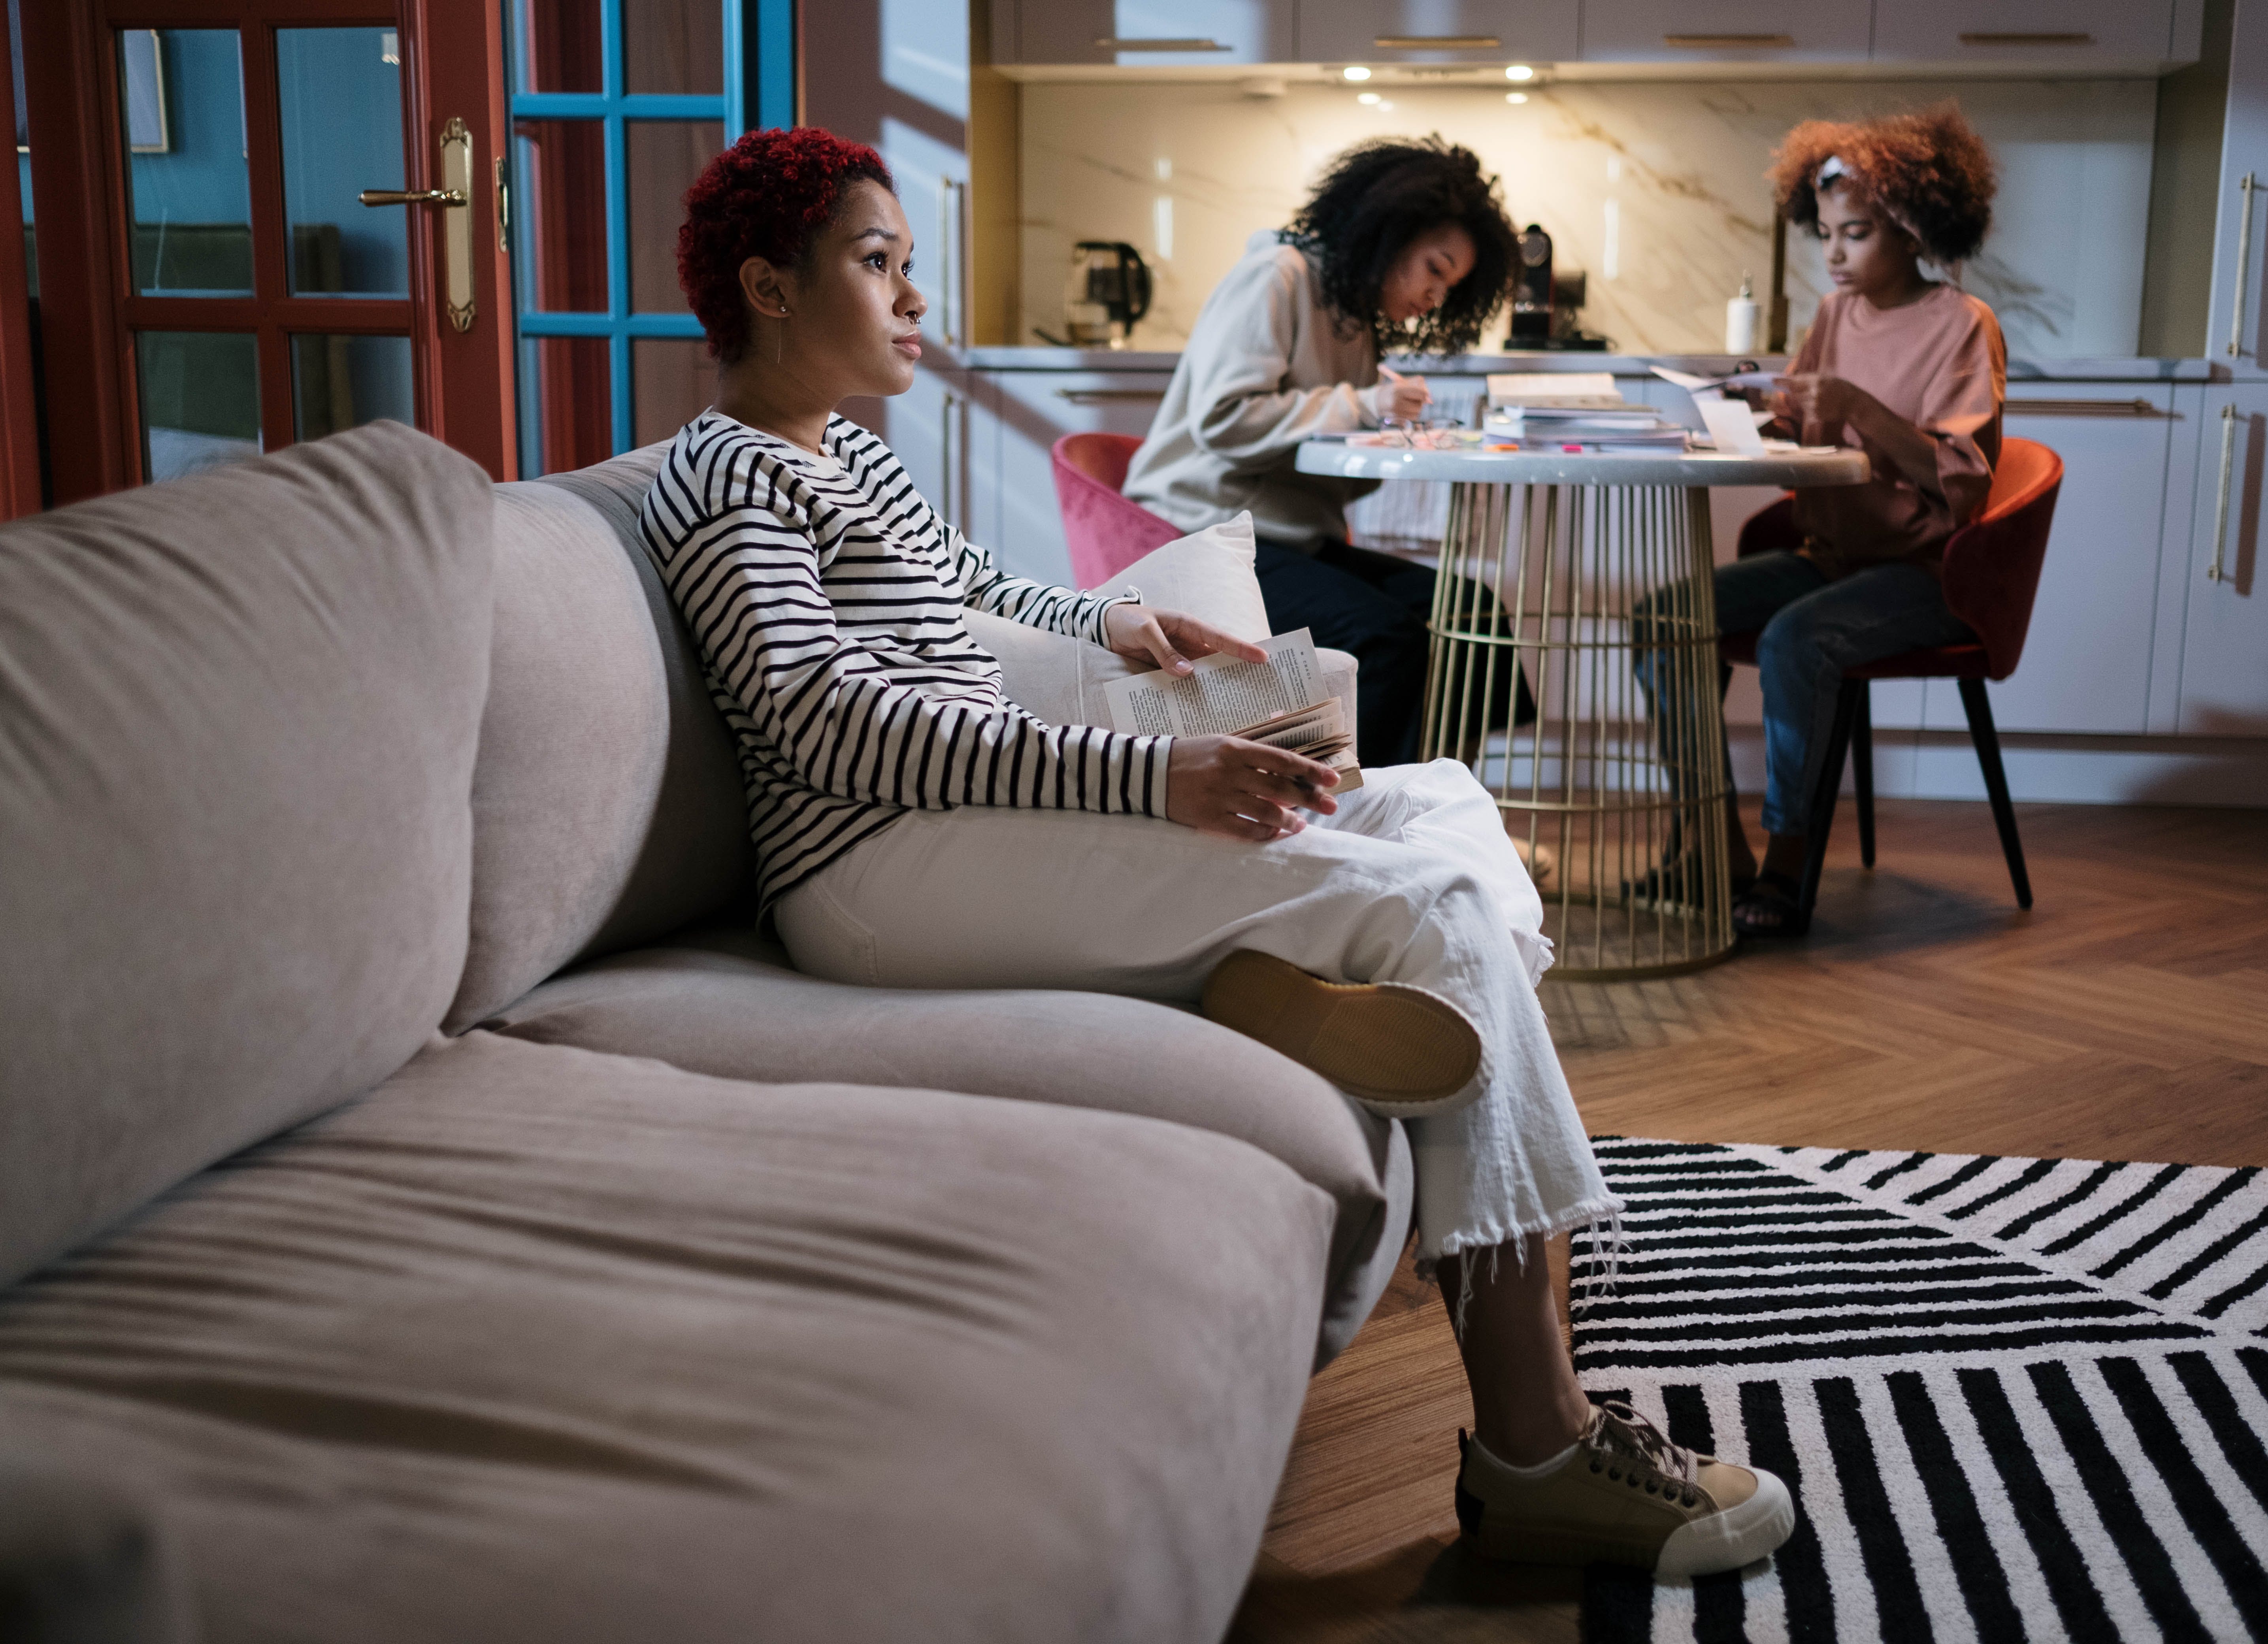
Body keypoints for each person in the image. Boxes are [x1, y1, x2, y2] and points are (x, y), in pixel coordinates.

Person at [643, 126, 1795, 1574]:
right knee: (1436, 908)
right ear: (764, 287)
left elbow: (980, 591)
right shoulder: (734, 477)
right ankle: (1536, 1444)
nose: (913, 297)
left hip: (959, 831)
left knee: (1441, 800)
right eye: (879, 266)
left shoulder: (843, 462)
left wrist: (1111, 623)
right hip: (878, 873)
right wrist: (1150, 776)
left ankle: (1357, 1024)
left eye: (909, 266)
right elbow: (824, 727)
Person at [1644, 105, 2005, 936]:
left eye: (1859, 233)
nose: (1835, 255)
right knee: (1663, 617)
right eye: (1828, 234)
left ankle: (1788, 861)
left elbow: (1963, 485)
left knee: (1793, 641)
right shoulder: (1836, 316)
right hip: (1828, 555)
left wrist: (1856, 408)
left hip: (1926, 576)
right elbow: (1803, 429)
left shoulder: (1962, 325)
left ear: (1915, 228)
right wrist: (1750, 411)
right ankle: (1710, 839)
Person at [1123, 138, 1530, 769]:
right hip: (1202, 531)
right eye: (1436, 269)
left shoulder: (1353, 317)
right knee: (1385, 636)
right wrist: (1363, 408)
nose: (1436, 297)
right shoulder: (1278, 275)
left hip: (1282, 535)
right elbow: (1224, 421)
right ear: (1391, 235)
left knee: (1470, 611)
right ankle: (1357, 825)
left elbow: (1322, 455)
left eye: (1451, 285)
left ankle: (1435, 796)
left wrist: (1384, 436)